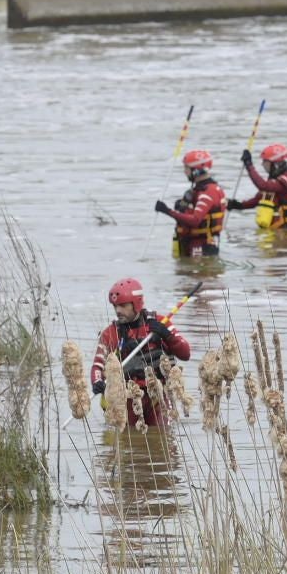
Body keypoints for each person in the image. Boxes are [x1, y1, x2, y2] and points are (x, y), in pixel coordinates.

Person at [90, 278, 192, 428]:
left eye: (123, 305)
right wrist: (97, 382)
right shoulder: (110, 333)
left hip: (158, 397)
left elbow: (186, 354)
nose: (118, 311)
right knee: (127, 438)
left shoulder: (160, 323)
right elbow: (97, 366)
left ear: (136, 304)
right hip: (127, 397)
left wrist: (167, 335)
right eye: (115, 306)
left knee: (163, 436)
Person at [156, 149, 228, 258]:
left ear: (197, 170)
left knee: (198, 274)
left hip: (202, 248)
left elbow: (195, 220)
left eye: (186, 168)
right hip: (192, 244)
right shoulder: (199, 190)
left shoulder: (208, 192)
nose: (185, 171)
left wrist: (167, 211)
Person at [229, 143, 287, 230]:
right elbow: (258, 200)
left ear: (275, 164)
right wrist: (238, 205)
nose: (263, 165)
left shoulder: (285, 181)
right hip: (276, 231)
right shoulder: (276, 181)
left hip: (285, 233)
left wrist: (249, 165)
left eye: (265, 162)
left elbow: (262, 186)